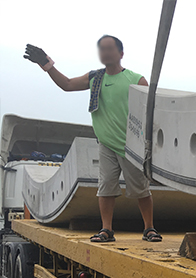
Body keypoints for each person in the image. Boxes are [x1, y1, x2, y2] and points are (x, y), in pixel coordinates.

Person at [24, 36, 162, 243]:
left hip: (131, 145)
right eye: (102, 49)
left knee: (141, 189)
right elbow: (68, 84)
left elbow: (151, 110)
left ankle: (149, 228)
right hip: (106, 144)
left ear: (121, 54)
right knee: (105, 188)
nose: (105, 52)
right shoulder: (95, 78)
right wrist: (47, 65)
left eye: (110, 49)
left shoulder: (136, 79)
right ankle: (106, 229)